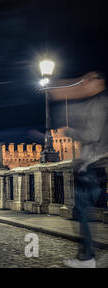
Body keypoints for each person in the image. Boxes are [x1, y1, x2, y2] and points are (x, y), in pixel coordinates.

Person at [52, 71, 108, 268]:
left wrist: (67, 131)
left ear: (99, 82)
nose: (84, 82)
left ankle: (87, 259)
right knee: (87, 212)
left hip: (93, 166)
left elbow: (92, 135)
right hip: (95, 166)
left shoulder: (99, 103)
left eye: (89, 79)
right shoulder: (98, 102)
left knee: (83, 212)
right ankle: (87, 257)